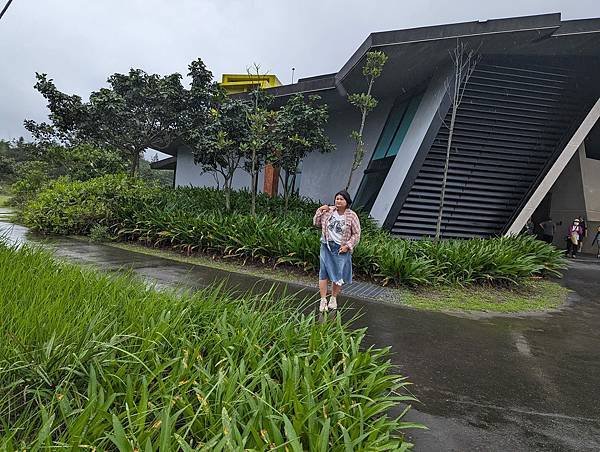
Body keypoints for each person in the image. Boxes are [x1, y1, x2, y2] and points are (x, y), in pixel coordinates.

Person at [313, 190, 361, 312]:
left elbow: (356, 234)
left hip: (341, 249)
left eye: (341, 199)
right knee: (323, 273)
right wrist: (320, 210)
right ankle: (323, 299)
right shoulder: (328, 211)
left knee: (338, 275)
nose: (338, 201)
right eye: (337, 198)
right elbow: (316, 223)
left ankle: (333, 298)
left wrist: (348, 246)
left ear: (347, 202)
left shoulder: (352, 215)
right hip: (326, 246)